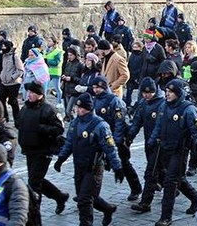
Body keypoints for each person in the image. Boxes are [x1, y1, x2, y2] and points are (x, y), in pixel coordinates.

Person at [54, 93, 124, 226]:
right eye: (77, 107)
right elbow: (69, 142)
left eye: (81, 108)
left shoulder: (100, 126)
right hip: (79, 166)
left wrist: (117, 167)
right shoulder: (75, 123)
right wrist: (61, 158)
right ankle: (108, 209)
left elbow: (110, 149)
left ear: (88, 108)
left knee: (84, 201)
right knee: (86, 197)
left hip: (94, 168)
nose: (78, 110)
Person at [146, 79, 197, 226]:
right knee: (179, 179)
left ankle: (166, 217)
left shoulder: (188, 109)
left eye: (170, 92)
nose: (167, 94)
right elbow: (158, 126)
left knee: (170, 182)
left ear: (179, 93)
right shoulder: (164, 106)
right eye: (166, 91)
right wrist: (151, 141)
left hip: (179, 151)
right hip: (164, 148)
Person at [16, 81, 68, 214]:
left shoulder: (48, 109)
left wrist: (41, 128)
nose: (30, 95)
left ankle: (34, 213)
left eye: (33, 92)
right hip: (29, 148)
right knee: (35, 178)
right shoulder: (25, 108)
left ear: (40, 94)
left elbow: (59, 128)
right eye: (29, 92)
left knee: (34, 182)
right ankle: (59, 196)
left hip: (43, 149)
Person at [90, 76, 142, 201]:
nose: (95, 90)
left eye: (98, 87)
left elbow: (120, 122)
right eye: (94, 87)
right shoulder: (95, 100)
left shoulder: (114, 101)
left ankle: (136, 188)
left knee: (123, 164)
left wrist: (117, 140)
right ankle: (90, 193)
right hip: (102, 138)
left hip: (115, 137)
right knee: (95, 165)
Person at [128, 77, 166, 214]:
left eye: (150, 92)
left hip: (159, 143)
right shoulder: (143, 104)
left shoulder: (162, 104)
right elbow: (137, 122)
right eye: (144, 92)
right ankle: (175, 188)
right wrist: (130, 137)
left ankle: (145, 203)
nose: (147, 95)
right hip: (148, 142)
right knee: (162, 170)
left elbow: (161, 126)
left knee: (151, 172)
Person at [61, 46, 84, 121]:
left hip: (75, 91)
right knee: (68, 111)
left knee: (69, 110)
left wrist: (72, 79)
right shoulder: (68, 63)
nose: (69, 57)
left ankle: (74, 123)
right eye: (68, 55)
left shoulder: (80, 65)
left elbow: (82, 80)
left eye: (71, 55)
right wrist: (64, 77)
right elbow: (66, 73)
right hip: (67, 89)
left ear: (76, 55)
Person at [44, 36, 64, 106]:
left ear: (53, 42)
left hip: (55, 72)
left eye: (50, 41)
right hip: (47, 72)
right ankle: (44, 102)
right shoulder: (46, 50)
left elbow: (56, 62)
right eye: (48, 41)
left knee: (57, 88)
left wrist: (47, 61)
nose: (48, 42)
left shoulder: (58, 51)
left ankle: (59, 102)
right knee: (45, 87)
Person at [126, 42, 144, 107]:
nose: (134, 48)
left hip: (137, 76)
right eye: (133, 47)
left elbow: (141, 67)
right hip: (131, 76)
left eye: (136, 47)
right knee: (129, 92)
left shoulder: (142, 56)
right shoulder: (132, 55)